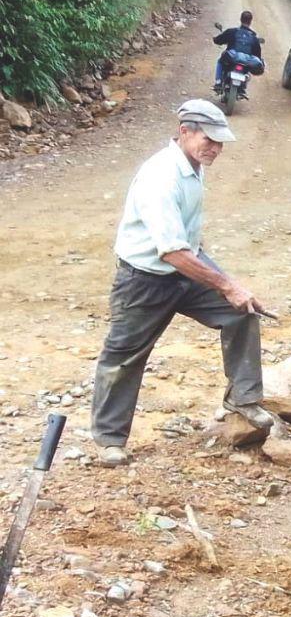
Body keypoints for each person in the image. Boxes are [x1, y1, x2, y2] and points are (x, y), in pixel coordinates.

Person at [90, 100, 273, 468]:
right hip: (144, 280)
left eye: (221, 143)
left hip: (187, 268)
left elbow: (186, 245)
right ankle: (110, 440)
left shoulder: (193, 165)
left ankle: (243, 396)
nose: (216, 149)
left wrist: (231, 287)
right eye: (210, 140)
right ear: (185, 131)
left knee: (242, 311)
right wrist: (227, 284)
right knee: (123, 359)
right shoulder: (161, 176)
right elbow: (171, 252)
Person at [212, 11, 263, 92]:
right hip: (246, 62)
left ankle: (218, 82)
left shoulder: (232, 32)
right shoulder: (254, 38)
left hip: (231, 58)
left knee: (220, 61)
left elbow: (219, 40)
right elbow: (258, 55)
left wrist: (215, 39)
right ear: (250, 21)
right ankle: (243, 85)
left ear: (240, 19)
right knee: (249, 68)